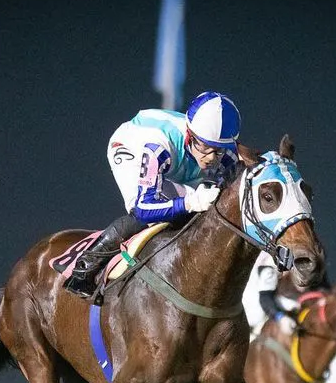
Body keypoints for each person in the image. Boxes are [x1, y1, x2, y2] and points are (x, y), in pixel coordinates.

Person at [63, 91, 242, 302]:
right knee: (147, 213)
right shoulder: (158, 146)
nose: (211, 157)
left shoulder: (222, 148)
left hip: (177, 162)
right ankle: (84, 268)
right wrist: (190, 201)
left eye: (218, 150)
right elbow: (144, 208)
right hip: (133, 148)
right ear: (189, 134)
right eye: (204, 146)